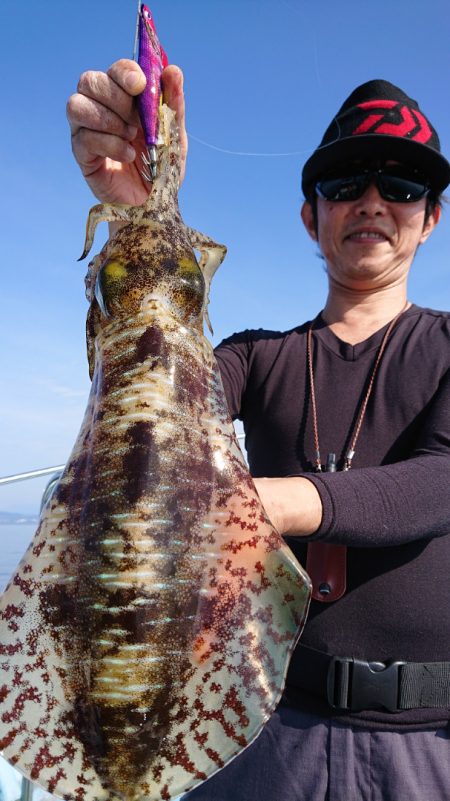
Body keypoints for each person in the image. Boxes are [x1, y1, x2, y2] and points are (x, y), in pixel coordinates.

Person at [67, 63, 450, 801]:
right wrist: (138, 217)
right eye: (345, 183)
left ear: (430, 216)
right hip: (257, 732)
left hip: (428, 748)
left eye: (401, 186)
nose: (372, 201)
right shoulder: (251, 356)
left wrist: (261, 503)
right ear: (311, 215)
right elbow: (146, 406)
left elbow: (438, 480)